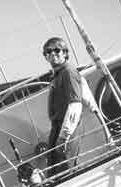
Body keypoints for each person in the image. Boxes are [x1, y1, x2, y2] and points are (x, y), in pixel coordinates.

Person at [43, 37, 103, 176]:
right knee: (55, 169)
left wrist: (64, 136)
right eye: (48, 51)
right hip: (58, 127)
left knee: (65, 169)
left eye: (57, 50)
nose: (53, 54)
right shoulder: (58, 75)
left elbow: (75, 105)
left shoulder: (68, 72)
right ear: (45, 56)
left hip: (67, 129)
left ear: (65, 53)